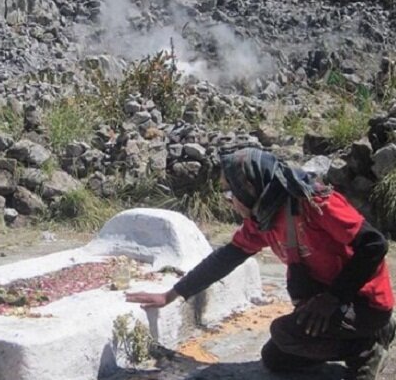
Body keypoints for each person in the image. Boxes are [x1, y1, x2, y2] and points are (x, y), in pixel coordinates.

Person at [126, 147, 395, 379]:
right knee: (276, 358)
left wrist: (333, 299)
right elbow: (226, 258)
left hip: (362, 301)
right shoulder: (262, 219)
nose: (230, 202)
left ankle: (367, 348)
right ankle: (362, 336)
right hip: (327, 301)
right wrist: (172, 294)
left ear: (250, 186)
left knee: (285, 332)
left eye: (230, 194)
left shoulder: (314, 202)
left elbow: (374, 244)